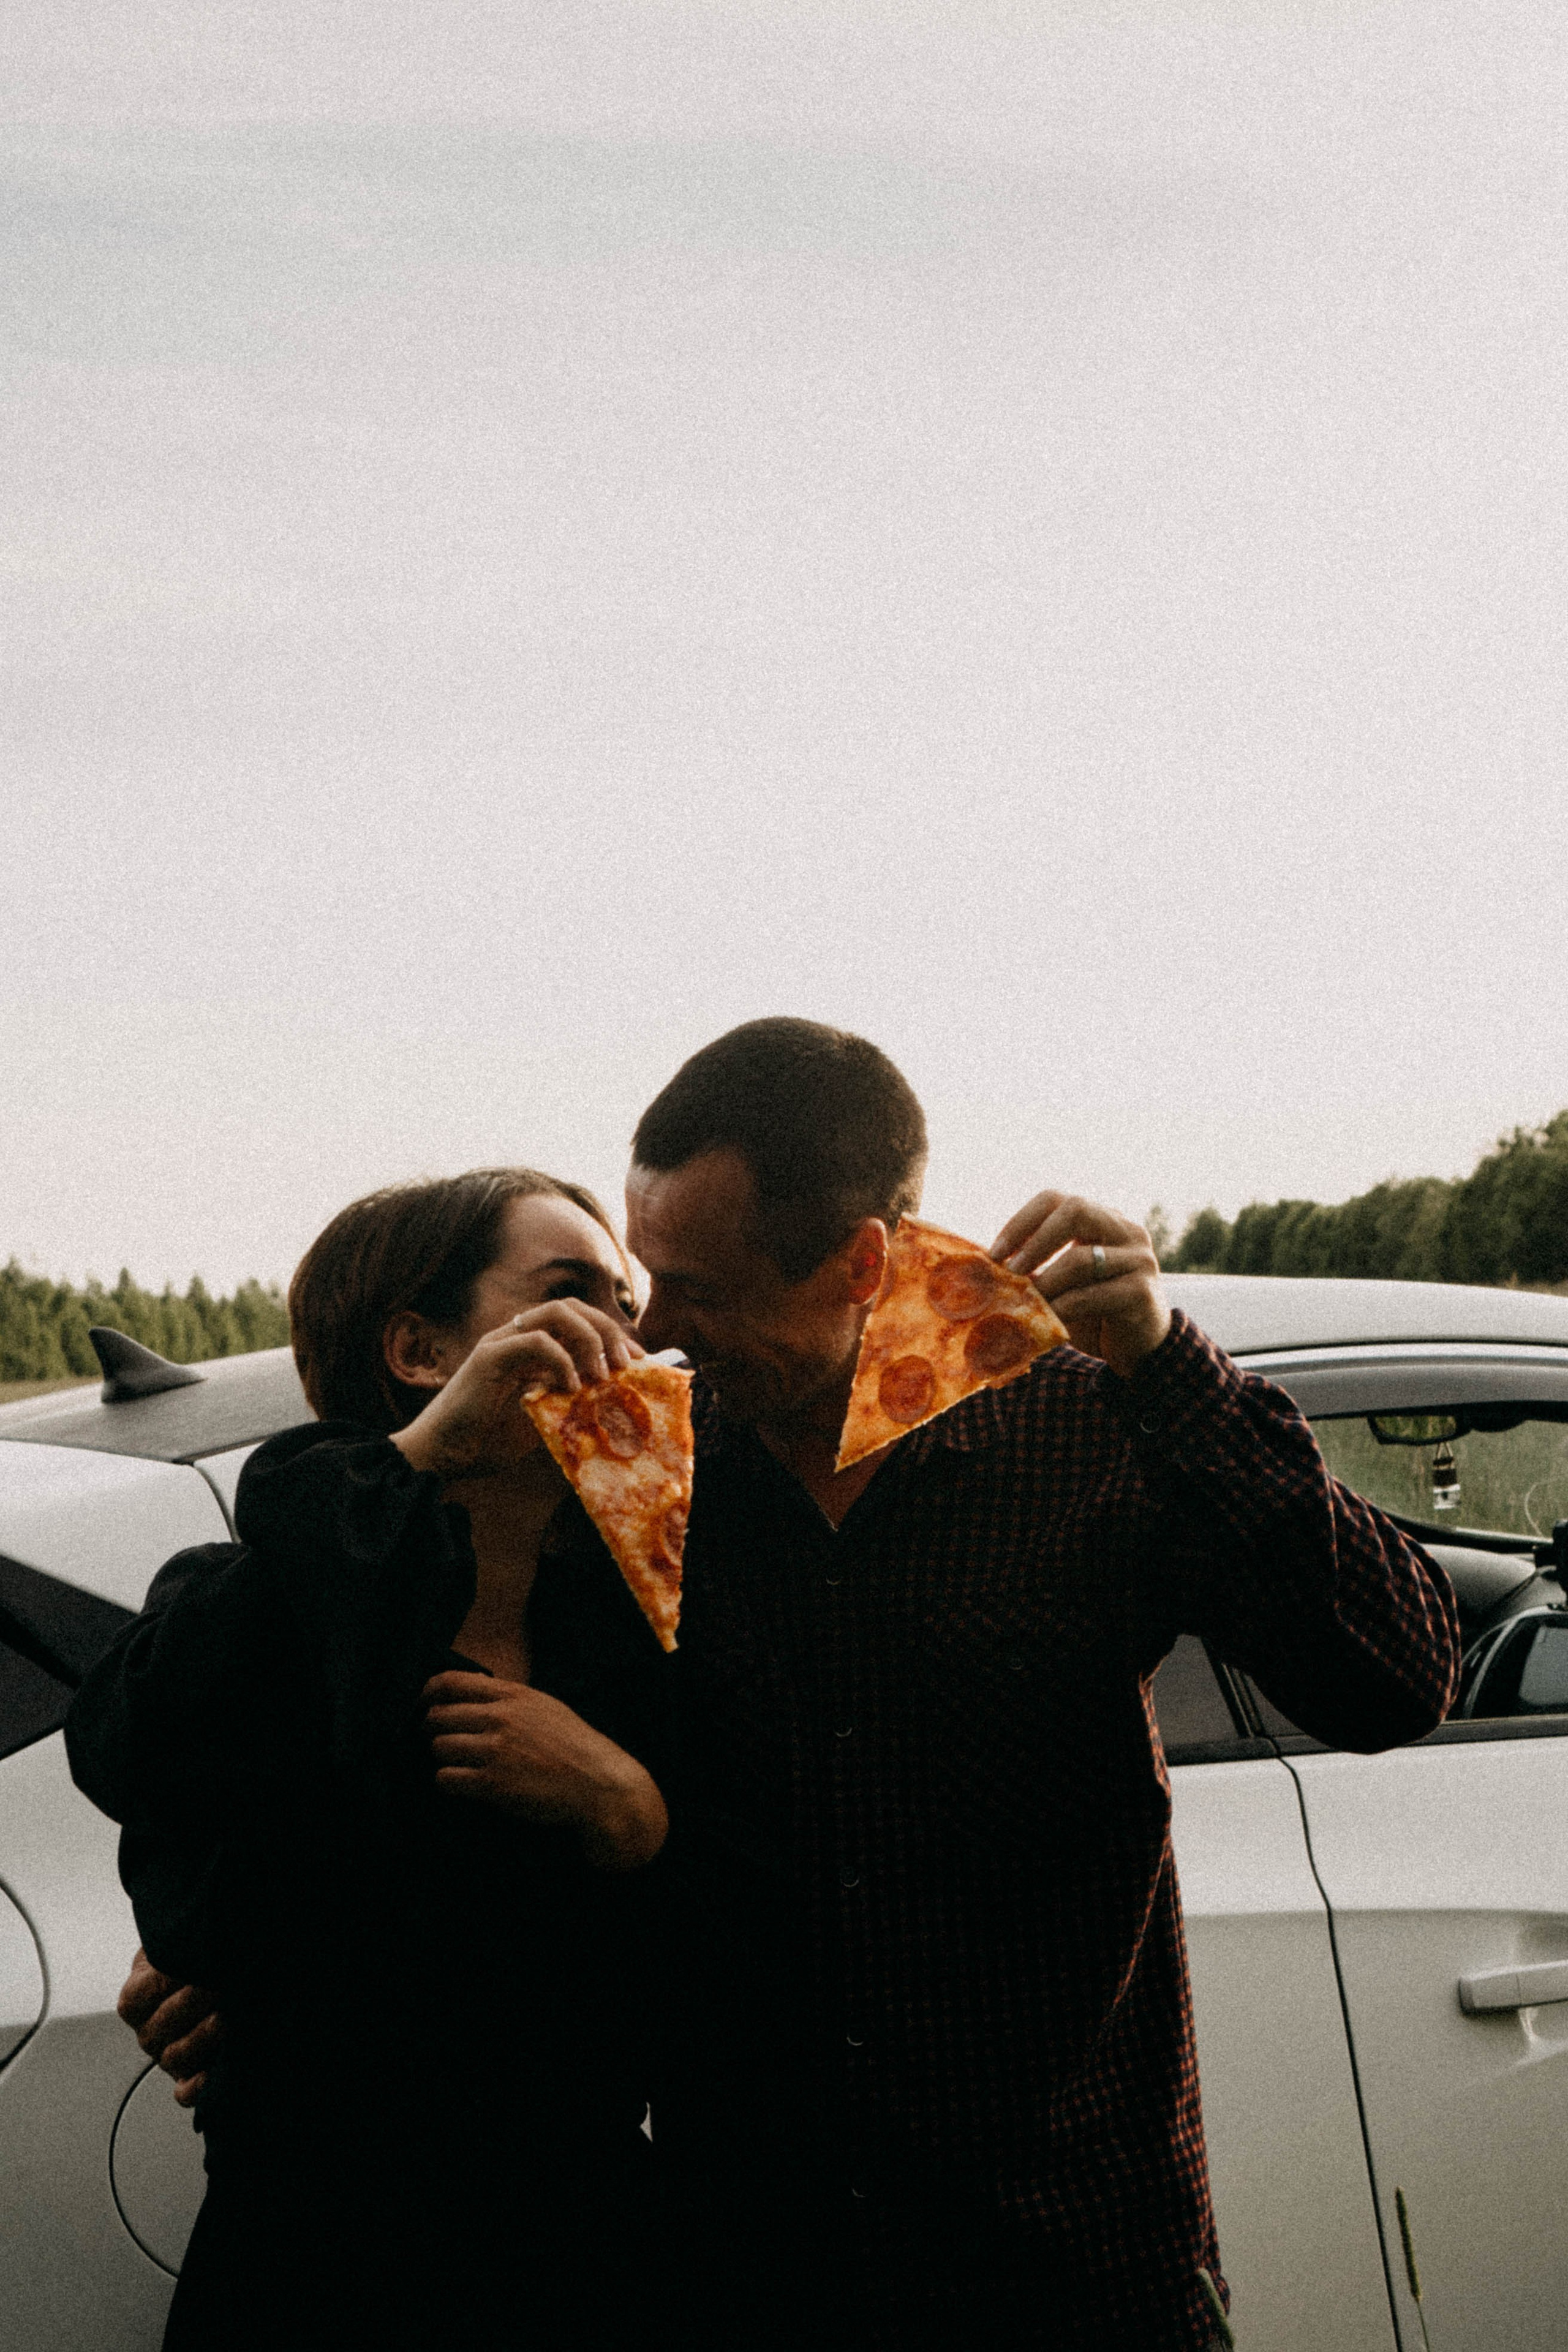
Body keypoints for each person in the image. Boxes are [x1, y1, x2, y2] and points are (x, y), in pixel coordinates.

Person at [606, 1016, 1460, 2351]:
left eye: (697, 1289)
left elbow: (1398, 1680)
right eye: (643, 1276)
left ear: (862, 1263)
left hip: (1070, 2268)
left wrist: (1167, 1366)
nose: (655, 1327)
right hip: (762, 2273)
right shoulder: (646, 1467)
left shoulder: (1089, 1421)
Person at [67, 1169, 678, 2352]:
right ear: (418, 1349)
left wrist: (628, 1808)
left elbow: (757, 1947)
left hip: (584, 2269)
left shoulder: (637, 1625)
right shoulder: (272, 1607)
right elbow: (126, 1747)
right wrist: (423, 1455)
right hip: (317, 2278)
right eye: (572, 1292)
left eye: (629, 1301)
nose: (624, 1337)